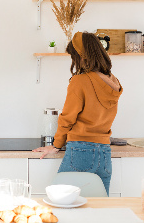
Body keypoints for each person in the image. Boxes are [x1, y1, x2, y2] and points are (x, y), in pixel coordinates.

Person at [33, 32, 123, 195]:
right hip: (104, 153)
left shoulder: (80, 81)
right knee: (99, 208)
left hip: (81, 151)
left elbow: (67, 118)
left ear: (81, 56)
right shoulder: (113, 81)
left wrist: (56, 145)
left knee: (60, 201)